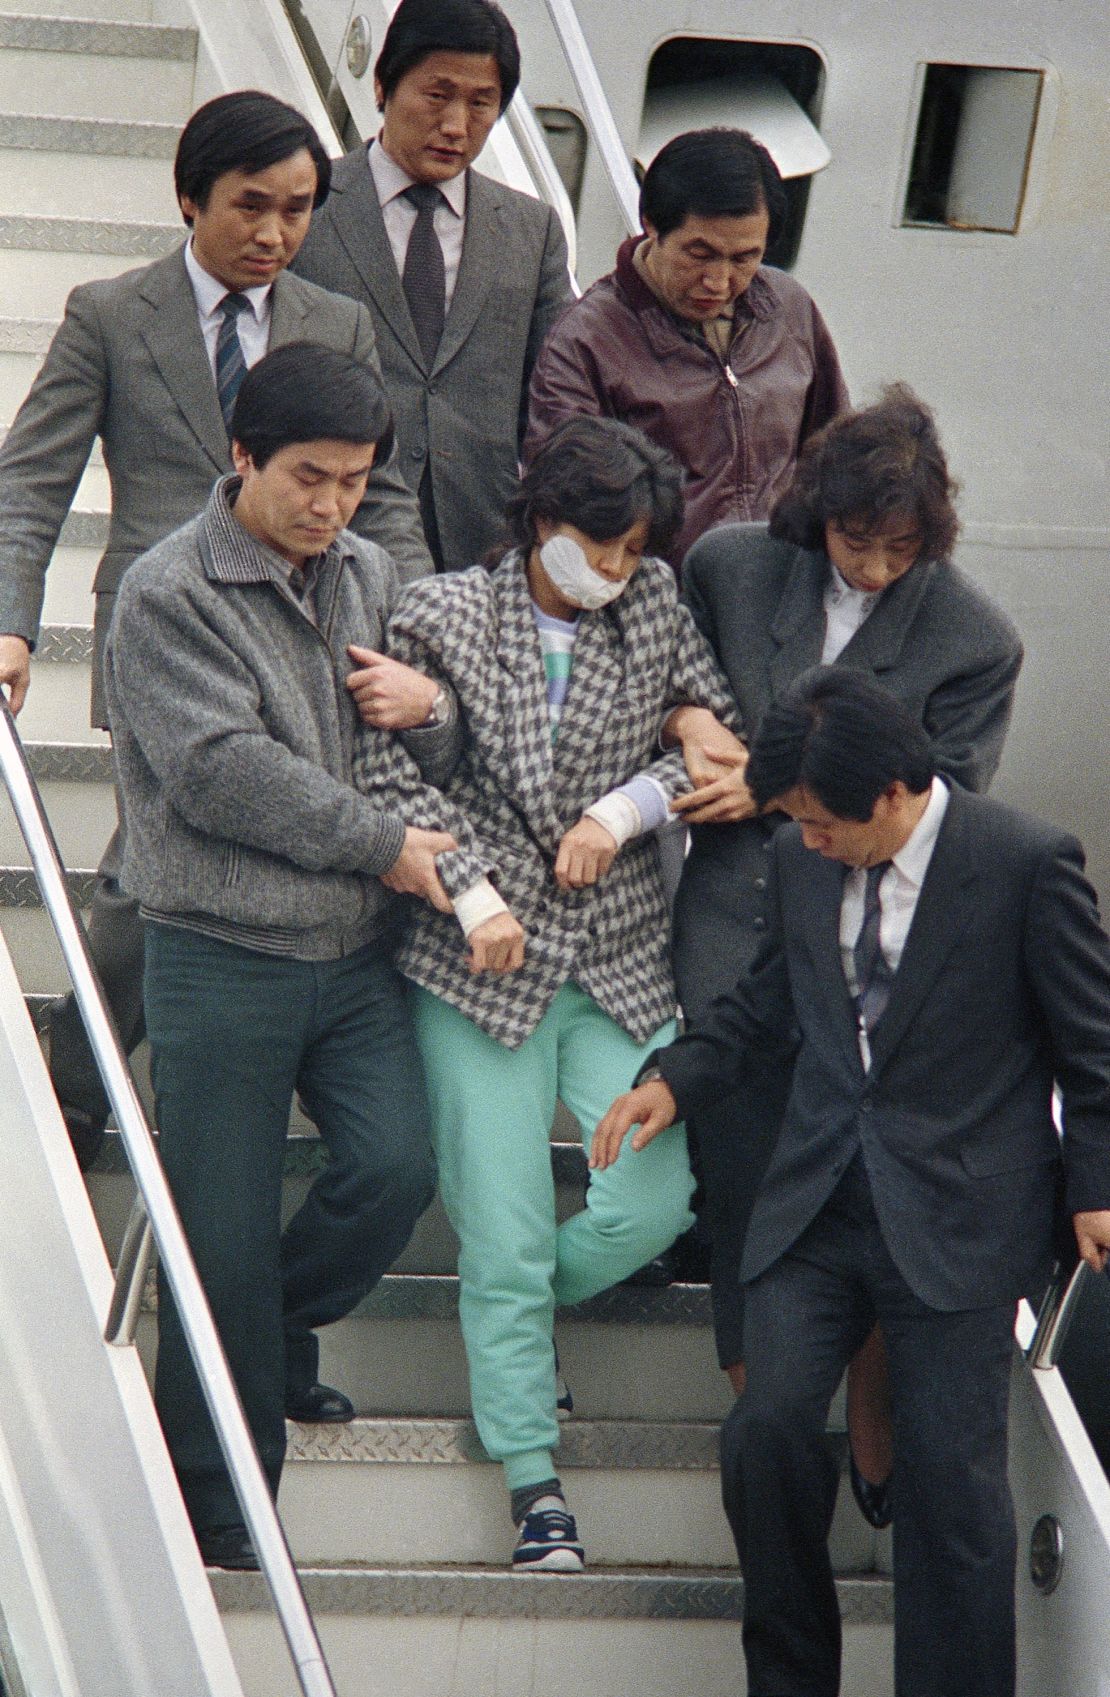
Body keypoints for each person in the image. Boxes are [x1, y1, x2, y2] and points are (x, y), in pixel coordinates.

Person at [593, 666, 1110, 1697]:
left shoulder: (1024, 861)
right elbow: (765, 1006)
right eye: (797, 823)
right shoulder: (796, 857)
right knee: (768, 1428)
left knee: (953, 1492)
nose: (809, 841)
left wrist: (1095, 1184)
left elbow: (1092, 1048)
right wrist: (676, 1082)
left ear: (893, 793)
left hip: (960, 1215)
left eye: (825, 822)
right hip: (818, 1203)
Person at [0, 89, 433, 1170]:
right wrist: (8, 623)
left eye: (297, 211)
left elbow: (379, 497)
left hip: (310, 627)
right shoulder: (109, 312)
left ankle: (142, 1048)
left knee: (218, 845)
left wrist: (419, 631)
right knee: (145, 865)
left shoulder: (335, 322)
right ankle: (86, 1062)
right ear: (189, 196)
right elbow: (31, 483)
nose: (275, 234)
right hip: (166, 626)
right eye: (252, 206)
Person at [353, 417, 740, 1568]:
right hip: (478, 965)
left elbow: (716, 743)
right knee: (508, 1225)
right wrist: (470, 891)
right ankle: (533, 1477)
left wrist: (626, 810)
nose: (615, 571)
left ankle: (509, 1315)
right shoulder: (438, 611)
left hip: (618, 955)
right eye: (598, 547)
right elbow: (381, 766)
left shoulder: (656, 600)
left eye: (632, 551)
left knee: (653, 1202)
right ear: (538, 518)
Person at [102, 344, 456, 1571]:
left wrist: (437, 707)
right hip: (215, 952)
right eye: (311, 476)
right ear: (243, 454)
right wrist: (387, 843)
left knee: (398, 1168)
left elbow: (437, 713)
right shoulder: (165, 591)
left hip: (354, 952)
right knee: (220, 1236)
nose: (333, 505)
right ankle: (222, 1506)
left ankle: (278, 1325)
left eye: (357, 482)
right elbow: (219, 773)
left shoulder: (369, 570)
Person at [667, 384, 1024, 1520]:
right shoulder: (729, 563)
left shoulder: (977, 636)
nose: (872, 566)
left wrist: (771, 789)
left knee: (862, 1174)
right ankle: (762, 1409)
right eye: (854, 540)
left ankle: (868, 1410)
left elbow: (942, 804)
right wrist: (688, 724)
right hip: (727, 905)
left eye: (900, 548)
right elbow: (664, 666)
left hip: (872, 933)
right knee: (738, 1155)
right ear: (814, 512)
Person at [293, 0, 573, 571]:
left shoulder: (531, 228)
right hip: (329, 536)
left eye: (480, 103)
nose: (456, 125)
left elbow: (555, 396)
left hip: (482, 547)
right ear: (382, 85)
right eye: (437, 95)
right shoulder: (307, 209)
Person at [526, 126, 847, 571]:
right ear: (652, 225)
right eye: (699, 253)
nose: (719, 282)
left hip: (778, 591)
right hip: (656, 601)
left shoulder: (790, 311)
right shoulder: (586, 341)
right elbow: (563, 504)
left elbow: (833, 457)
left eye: (744, 258)